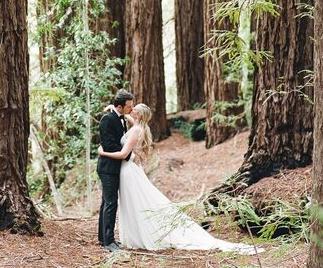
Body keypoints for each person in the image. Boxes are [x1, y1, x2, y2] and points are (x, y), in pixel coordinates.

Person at [98, 103, 259, 253]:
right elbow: (128, 119)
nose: (130, 110)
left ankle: (141, 234)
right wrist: (114, 108)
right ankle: (132, 233)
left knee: (136, 202)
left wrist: (102, 152)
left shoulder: (135, 131)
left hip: (128, 170)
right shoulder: (139, 126)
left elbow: (123, 154)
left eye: (134, 110)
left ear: (139, 115)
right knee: (133, 202)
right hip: (130, 169)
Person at [97, 89, 134, 251]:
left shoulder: (121, 118)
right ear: (119, 106)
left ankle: (102, 237)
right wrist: (129, 153)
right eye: (128, 107)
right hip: (107, 168)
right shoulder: (107, 119)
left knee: (107, 201)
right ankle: (109, 241)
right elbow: (109, 145)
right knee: (111, 203)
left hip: (115, 167)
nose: (131, 109)